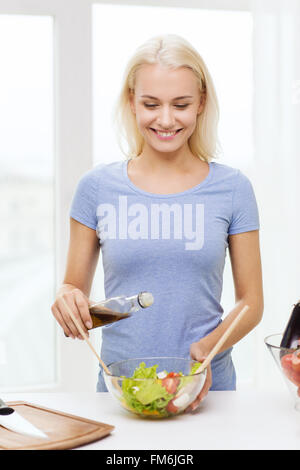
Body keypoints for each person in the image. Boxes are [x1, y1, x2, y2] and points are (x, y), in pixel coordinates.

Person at [51, 34, 263, 411]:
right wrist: (68, 300)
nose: (166, 119)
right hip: (121, 389)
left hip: (209, 391)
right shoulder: (96, 188)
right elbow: (72, 286)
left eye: (180, 104)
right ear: (131, 102)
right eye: (151, 104)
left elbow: (252, 301)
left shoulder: (233, 189)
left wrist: (207, 350)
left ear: (201, 103)